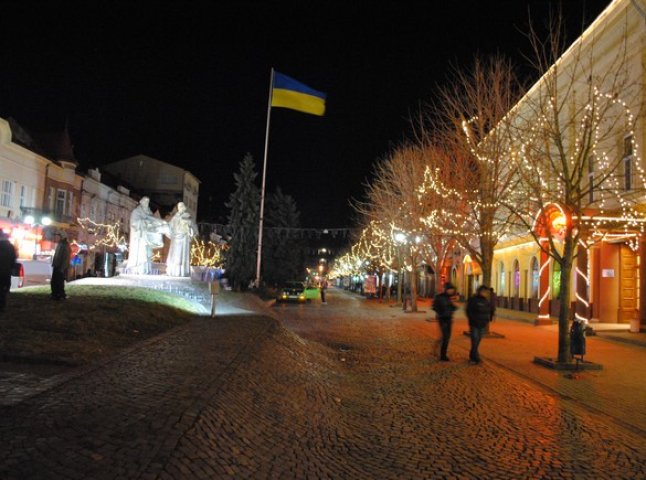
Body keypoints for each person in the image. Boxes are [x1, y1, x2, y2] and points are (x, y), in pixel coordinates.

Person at [126, 196, 168, 275]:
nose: (146, 203)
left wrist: (157, 223)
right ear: (141, 202)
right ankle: (138, 270)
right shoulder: (136, 212)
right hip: (140, 237)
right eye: (145, 201)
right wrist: (144, 222)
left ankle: (146, 270)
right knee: (141, 254)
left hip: (148, 238)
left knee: (148, 254)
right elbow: (133, 223)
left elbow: (153, 222)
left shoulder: (149, 213)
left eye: (148, 201)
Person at [166, 202, 196, 277]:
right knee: (175, 255)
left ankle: (181, 272)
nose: (180, 208)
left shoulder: (187, 216)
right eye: (179, 206)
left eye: (182, 206)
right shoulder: (175, 217)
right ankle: (173, 271)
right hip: (176, 239)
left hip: (184, 239)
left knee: (182, 256)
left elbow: (193, 227)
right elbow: (170, 227)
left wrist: (188, 227)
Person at [432, 282, 459, 361]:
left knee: (446, 337)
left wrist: (453, 306)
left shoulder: (450, 298)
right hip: (442, 319)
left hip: (449, 319)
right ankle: (443, 355)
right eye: (450, 289)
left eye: (452, 290)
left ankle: (436, 348)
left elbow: (453, 308)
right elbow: (434, 307)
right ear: (446, 289)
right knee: (445, 337)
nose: (451, 291)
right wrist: (441, 312)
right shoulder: (440, 297)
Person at [466, 285, 492, 364]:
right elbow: (469, 311)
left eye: (487, 292)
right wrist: (472, 319)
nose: (487, 294)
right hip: (474, 324)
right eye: (485, 292)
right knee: (475, 340)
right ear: (480, 291)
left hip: (482, 323)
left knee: (478, 340)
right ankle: (473, 358)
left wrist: (488, 319)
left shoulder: (486, 301)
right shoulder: (473, 300)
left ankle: (474, 356)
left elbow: (488, 311)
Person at [51, 231, 71, 301]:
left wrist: (62, 268)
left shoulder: (64, 245)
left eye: (57, 236)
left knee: (58, 281)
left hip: (60, 267)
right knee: (55, 281)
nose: (55, 237)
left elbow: (65, 258)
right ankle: (56, 294)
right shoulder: (61, 244)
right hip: (57, 266)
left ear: (61, 237)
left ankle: (60, 295)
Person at [0, 230, 17, 311]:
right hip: (6, 272)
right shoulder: (10, 246)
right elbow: (14, 259)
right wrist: (11, 268)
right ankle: (2, 305)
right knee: (3, 289)